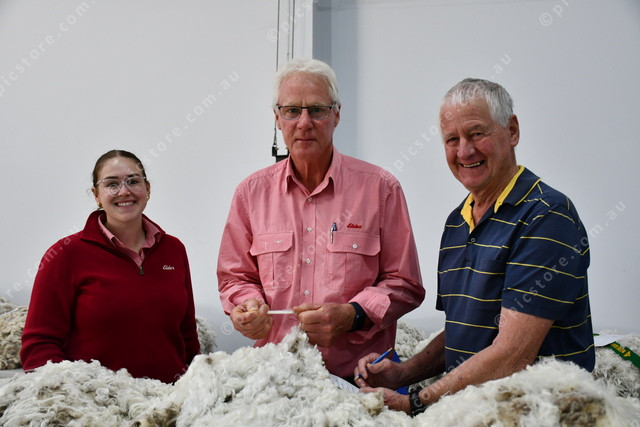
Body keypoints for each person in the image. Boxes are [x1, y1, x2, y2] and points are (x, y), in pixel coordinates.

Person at [354, 78, 595, 415]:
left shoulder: (547, 217)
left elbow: (512, 355)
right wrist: (403, 373)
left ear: (512, 131)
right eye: (452, 139)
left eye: (477, 133)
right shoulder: (457, 222)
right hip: (475, 410)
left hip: (542, 412)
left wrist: (416, 402)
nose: (464, 151)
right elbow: (465, 333)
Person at [217, 58, 425, 380]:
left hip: (360, 380)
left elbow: (405, 282)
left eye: (316, 110)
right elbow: (235, 278)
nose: (304, 123)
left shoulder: (381, 189)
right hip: (274, 380)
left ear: (336, 114)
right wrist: (248, 306)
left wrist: (353, 315)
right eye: (291, 111)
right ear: (277, 118)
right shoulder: (250, 194)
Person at [21, 150, 200, 383]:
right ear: (97, 195)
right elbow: (39, 346)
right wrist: (76, 395)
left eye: (133, 181)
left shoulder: (174, 249)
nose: (124, 191)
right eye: (111, 184)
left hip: (170, 399)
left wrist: (195, 388)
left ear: (147, 189)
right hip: (97, 402)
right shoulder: (65, 254)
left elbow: (188, 336)